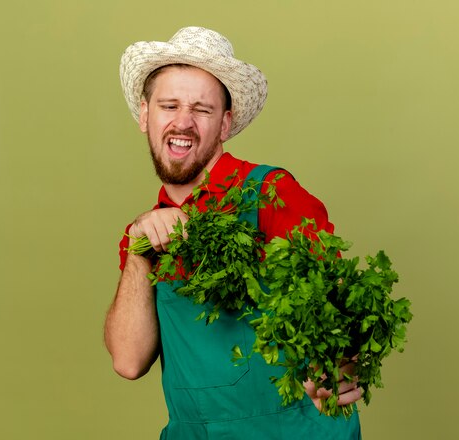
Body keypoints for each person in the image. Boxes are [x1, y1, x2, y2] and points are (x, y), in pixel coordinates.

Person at [104, 26, 363, 439]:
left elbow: (337, 313)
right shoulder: (146, 233)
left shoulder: (272, 195)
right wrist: (139, 251)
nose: (183, 122)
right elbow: (128, 361)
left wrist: (340, 366)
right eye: (169, 105)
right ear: (145, 115)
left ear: (225, 124)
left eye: (201, 110)